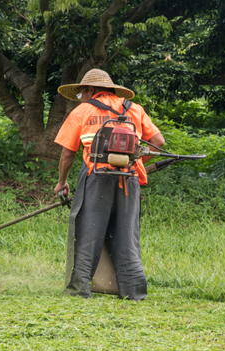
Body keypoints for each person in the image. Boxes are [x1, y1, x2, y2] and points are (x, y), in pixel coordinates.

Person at [53, 69, 165, 300]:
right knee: (127, 234)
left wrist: (62, 182)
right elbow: (158, 142)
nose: (81, 98)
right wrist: (134, 164)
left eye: (82, 93)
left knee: (88, 233)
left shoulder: (83, 110)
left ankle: (79, 289)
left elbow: (67, 153)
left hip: (96, 178)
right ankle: (133, 292)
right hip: (129, 179)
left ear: (91, 90)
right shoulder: (134, 109)